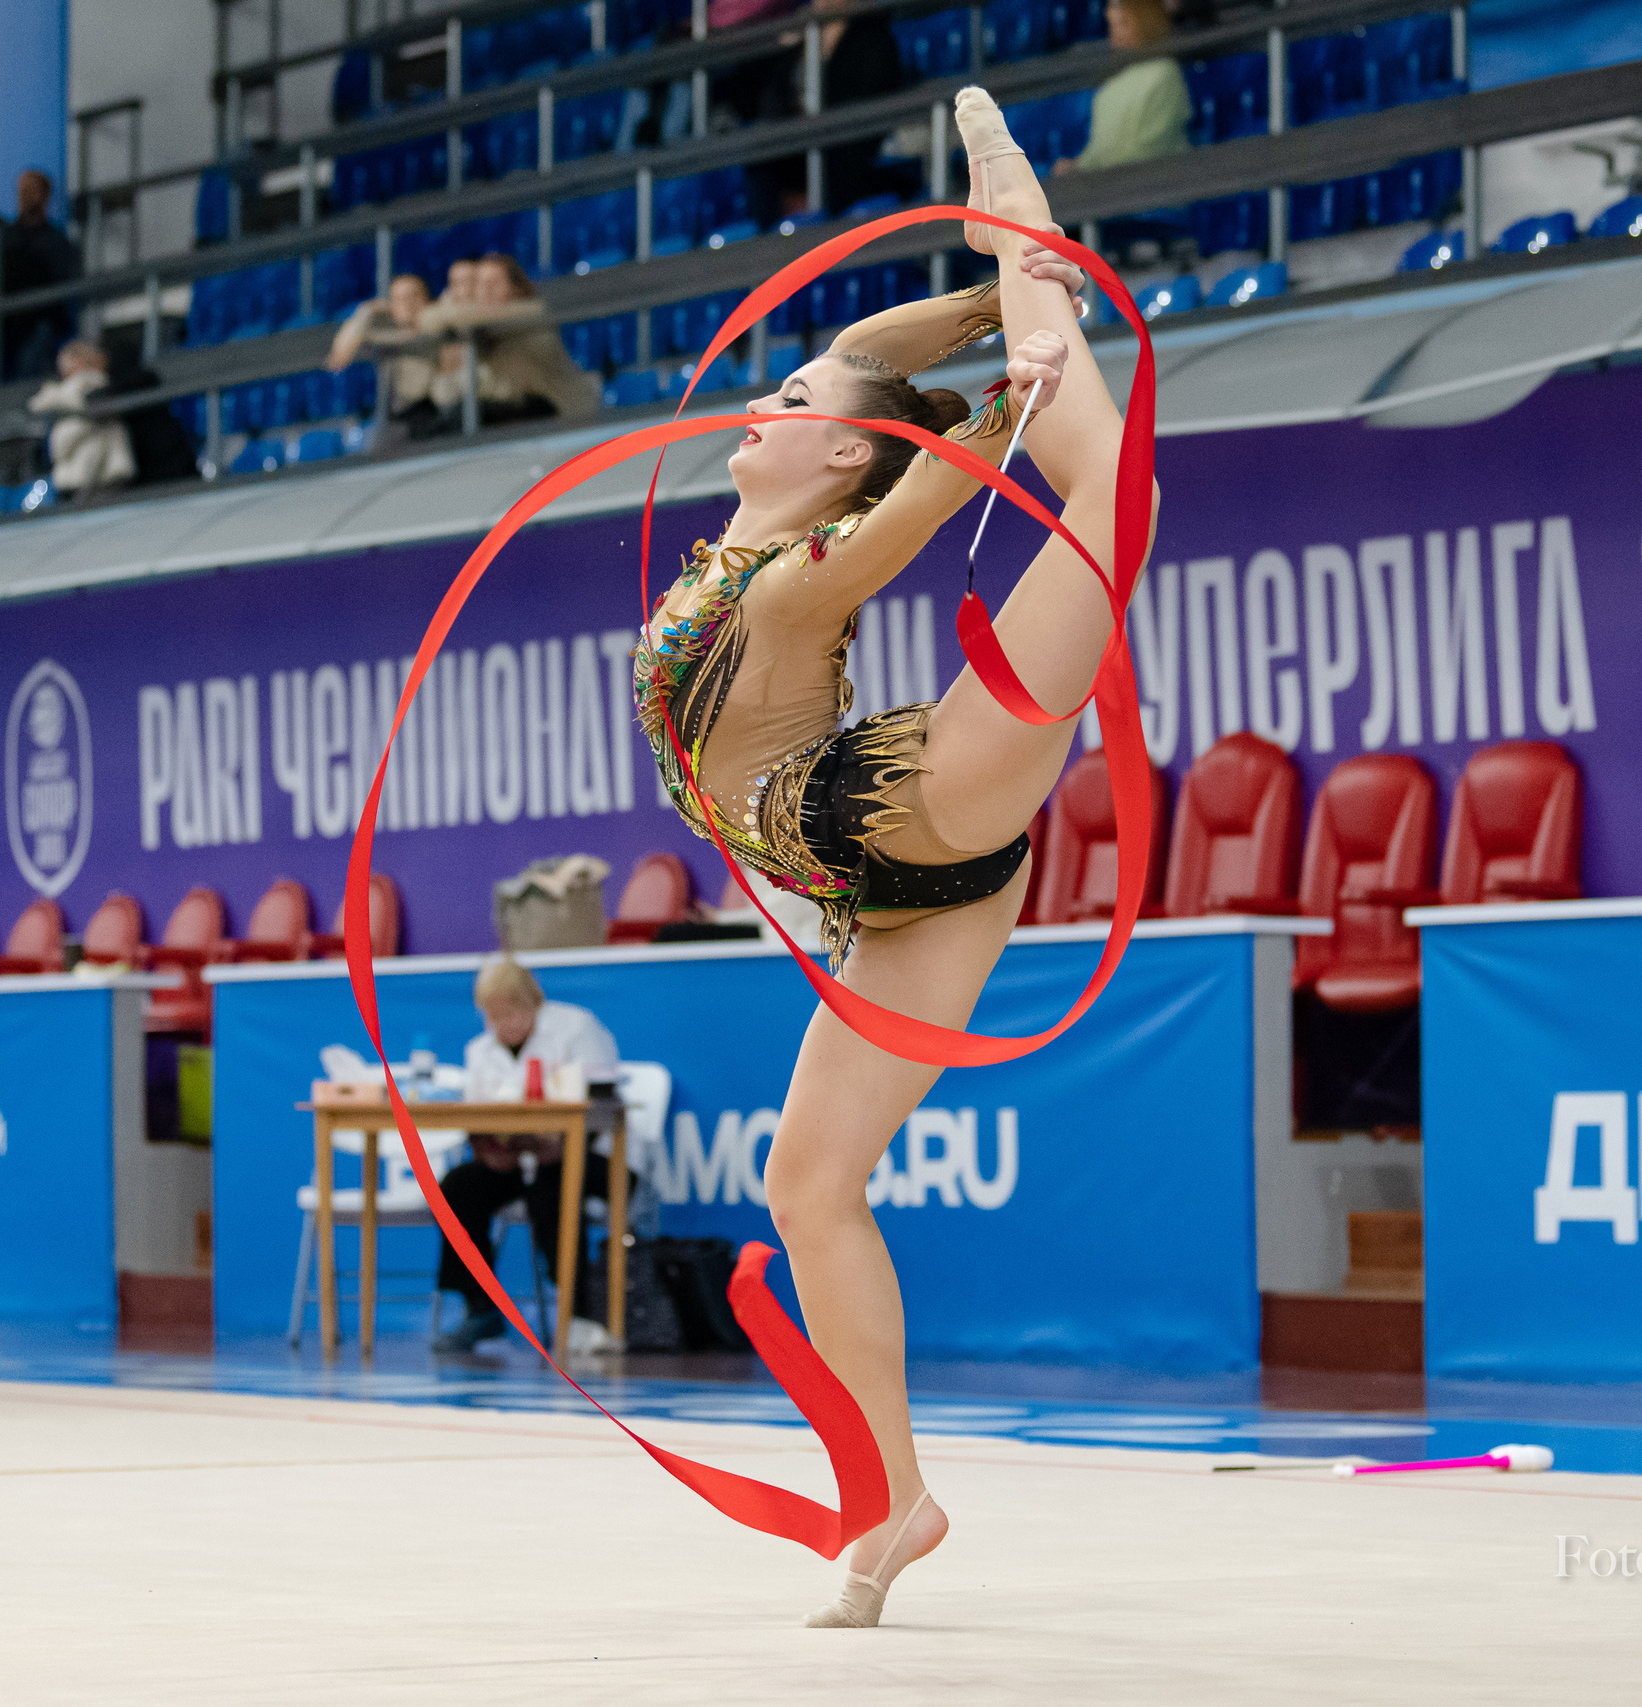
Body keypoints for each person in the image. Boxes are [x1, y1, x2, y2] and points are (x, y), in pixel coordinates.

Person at [629, 85, 1129, 1626]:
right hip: (871, 892)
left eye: (791, 410)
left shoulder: (797, 578)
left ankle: (1032, 215)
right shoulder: (779, 503)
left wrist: (1010, 394)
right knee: (806, 1181)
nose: (771, 400)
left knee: (1111, 504)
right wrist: (989, 291)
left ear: (834, 468)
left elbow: (920, 489)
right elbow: (863, 366)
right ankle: (900, 1498)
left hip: (902, 804)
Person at [430, 957, 620, 1353]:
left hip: (580, 1156)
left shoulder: (576, 1029)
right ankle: (480, 1307)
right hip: (515, 1159)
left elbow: (604, 1106)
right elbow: (475, 1116)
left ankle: (580, 1314)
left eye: (511, 1012)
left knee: (555, 1190)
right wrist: (487, 1149)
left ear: (533, 1002)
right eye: (493, 1016)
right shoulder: (479, 1050)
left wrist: (559, 1144)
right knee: (458, 1187)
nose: (504, 1024)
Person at [744, 0, 912, 219]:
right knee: (760, 164)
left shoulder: (874, 40)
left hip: (847, 165)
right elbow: (769, 106)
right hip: (796, 160)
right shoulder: (795, 40)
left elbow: (864, 127)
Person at [422, 254, 601, 429]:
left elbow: (442, 317)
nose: (485, 291)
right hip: (518, 415)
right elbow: (427, 320)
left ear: (515, 287)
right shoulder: (480, 326)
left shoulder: (530, 311)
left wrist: (448, 304)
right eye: (480, 285)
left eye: (494, 283)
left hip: (562, 416)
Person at [1055, 0, 1191, 176]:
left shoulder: (1165, 73)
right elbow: (1099, 151)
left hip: (1156, 187)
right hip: (1113, 187)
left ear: (1145, 21)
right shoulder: (1108, 88)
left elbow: (1155, 149)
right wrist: (1077, 166)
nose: (1115, 34)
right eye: (1112, 24)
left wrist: (1099, 173)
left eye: (1123, 23)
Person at [0, 168, 83, 381]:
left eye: (31, 190)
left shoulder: (56, 241)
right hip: (2, 327)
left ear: (45, 195)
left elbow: (66, 291)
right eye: (22, 191)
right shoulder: (1, 239)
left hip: (38, 325)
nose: (25, 196)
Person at [328, 271, 445, 445]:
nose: (408, 304)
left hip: (437, 418)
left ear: (428, 300)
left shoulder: (440, 328)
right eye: (399, 299)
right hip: (395, 422)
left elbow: (414, 337)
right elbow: (338, 358)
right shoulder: (386, 336)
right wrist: (365, 311)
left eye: (414, 296)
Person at [28, 339, 136, 496]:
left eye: (73, 361)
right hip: (80, 477)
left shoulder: (95, 386)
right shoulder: (61, 392)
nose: (69, 367)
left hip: (101, 477)